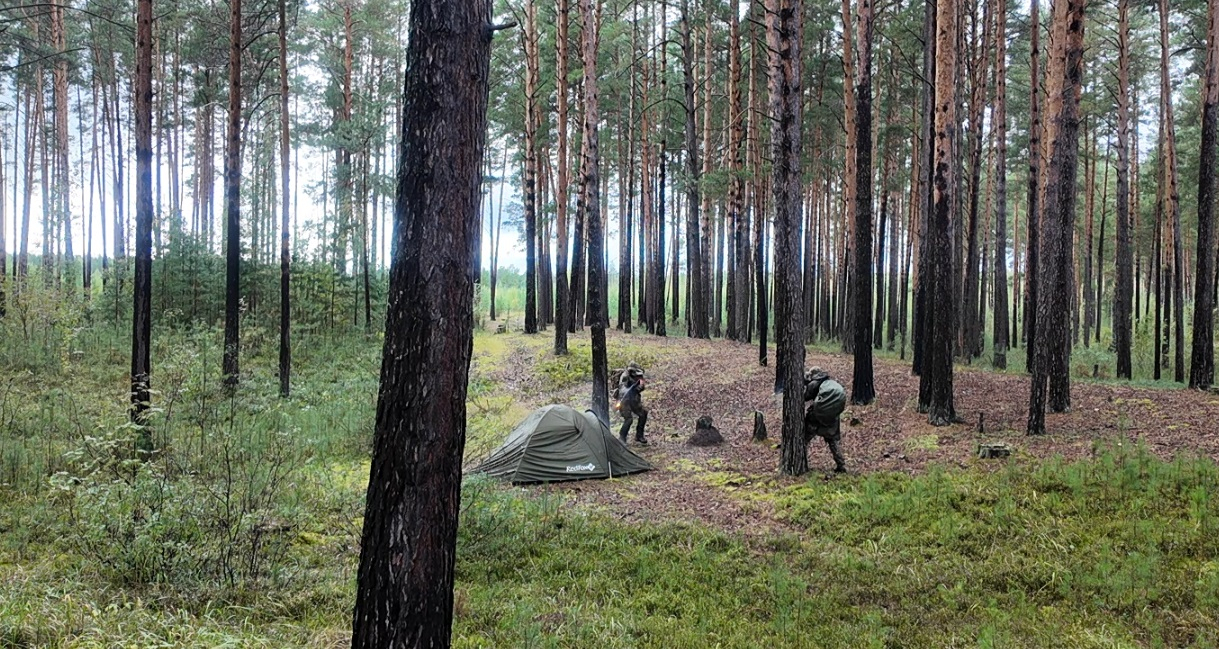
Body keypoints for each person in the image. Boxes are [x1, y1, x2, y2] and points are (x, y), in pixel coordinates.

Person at [803, 366, 847, 473]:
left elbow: (805, 396)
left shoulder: (815, 383)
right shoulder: (828, 382)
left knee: (804, 438)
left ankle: (802, 463)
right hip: (832, 418)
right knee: (833, 441)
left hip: (817, 416)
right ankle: (841, 464)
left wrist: (805, 384)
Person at [614, 362, 649, 445]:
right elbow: (622, 389)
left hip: (634, 399)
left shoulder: (639, 376)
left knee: (643, 414)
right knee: (629, 419)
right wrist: (630, 388)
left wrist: (639, 387)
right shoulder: (625, 376)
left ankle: (639, 436)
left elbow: (642, 386)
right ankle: (622, 438)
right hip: (624, 401)